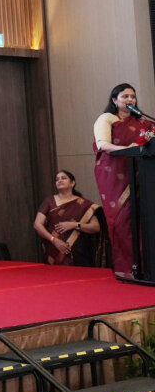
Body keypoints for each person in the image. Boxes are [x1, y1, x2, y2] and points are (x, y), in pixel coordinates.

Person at [93, 82, 155, 278]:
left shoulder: (143, 122)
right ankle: (127, 269)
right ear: (114, 100)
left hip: (141, 174)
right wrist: (133, 150)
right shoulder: (107, 119)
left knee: (145, 220)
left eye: (133, 97)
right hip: (114, 175)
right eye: (125, 96)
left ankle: (147, 267)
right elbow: (103, 145)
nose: (130, 100)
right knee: (122, 221)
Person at [33, 170, 101, 266]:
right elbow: (37, 224)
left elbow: (96, 227)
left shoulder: (84, 204)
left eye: (63, 178)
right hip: (54, 250)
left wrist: (75, 225)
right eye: (57, 179)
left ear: (72, 183)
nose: (59, 181)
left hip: (79, 252)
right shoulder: (49, 201)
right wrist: (54, 240)